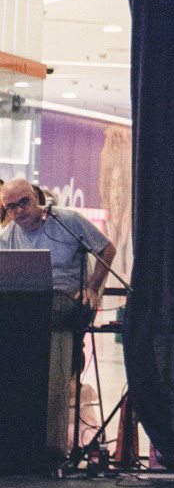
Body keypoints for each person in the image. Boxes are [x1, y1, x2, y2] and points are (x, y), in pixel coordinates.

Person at [0, 179, 115, 468]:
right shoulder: (8, 234)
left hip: (67, 301)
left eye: (23, 202)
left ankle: (52, 451)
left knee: (48, 319)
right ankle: (18, 445)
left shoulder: (68, 221)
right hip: (29, 306)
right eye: (11, 207)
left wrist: (92, 287)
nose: (18, 211)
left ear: (35, 196)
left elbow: (107, 249)